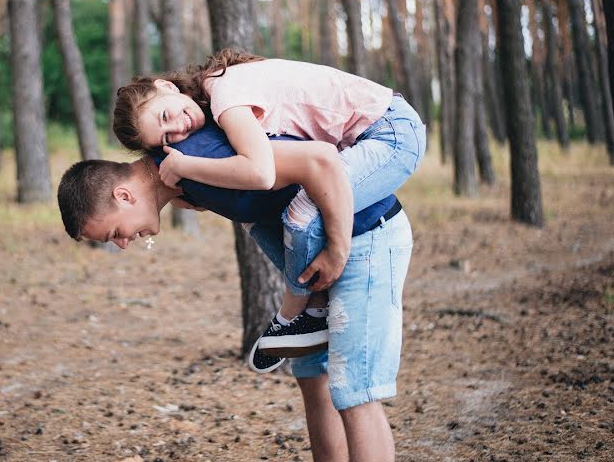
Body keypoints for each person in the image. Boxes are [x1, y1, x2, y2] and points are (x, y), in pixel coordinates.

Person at [57, 125, 413, 461]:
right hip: (318, 262)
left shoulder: (197, 155)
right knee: (311, 372)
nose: (122, 244)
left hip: (363, 238)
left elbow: (318, 160)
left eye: (114, 233)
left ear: (123, 195)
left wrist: (337, 250)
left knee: (355, 393)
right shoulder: (182, 184)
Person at [111, 50, 425, 361]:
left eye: (165, 116)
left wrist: (184, 166)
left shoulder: (224, 97)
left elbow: (261, 173)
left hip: (391, 132)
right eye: (166, 136)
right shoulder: (209, 97)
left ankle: (292, 313)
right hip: (368, 133)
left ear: (166, 86)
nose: (179, 130)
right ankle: (313, 309)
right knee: (261, 220)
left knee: (302, 214)